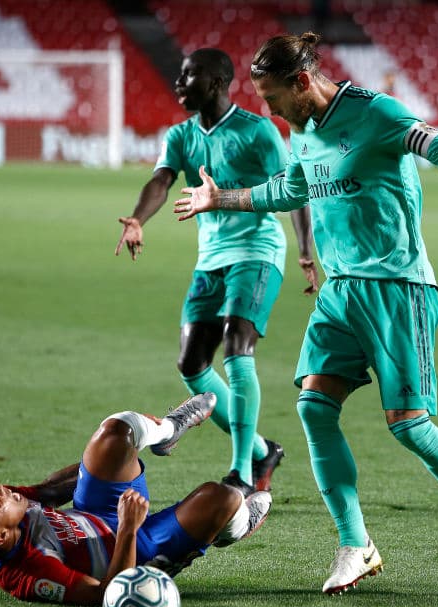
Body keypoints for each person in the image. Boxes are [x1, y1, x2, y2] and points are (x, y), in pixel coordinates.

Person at [173, 33, 438, 595]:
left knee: (409, 427)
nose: (270, 109)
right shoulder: (301, 130)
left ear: (303, 82)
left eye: (274, 97)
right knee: (313, 406)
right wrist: (223, 199)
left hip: (397, 288)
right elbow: (292, 187)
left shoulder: (376, 113)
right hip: (340, 293)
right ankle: (355, 544)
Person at [115, 48, 317, 495]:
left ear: (216, 82)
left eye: (189, 76)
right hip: (211, 257)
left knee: (237, 343)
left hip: (257, 250)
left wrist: (305, 251)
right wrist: (137, 219)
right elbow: (161, 181)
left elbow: (295, 189)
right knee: (192, 364)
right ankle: (264, 450)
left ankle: (242, 471)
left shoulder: (258, 131)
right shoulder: (181, 135)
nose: (179, 83)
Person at [0, 392, 274, 605]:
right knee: (223, 498)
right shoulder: (28, 575)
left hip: (97, 510)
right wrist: (128, 528)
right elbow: (107, 593)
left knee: (117, 431)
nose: (0, 491)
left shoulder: (6, 509)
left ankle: (168, 431)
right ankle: (238, 527)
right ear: (0, 537)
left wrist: (102, 461)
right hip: (134, 551)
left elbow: (49, 491)